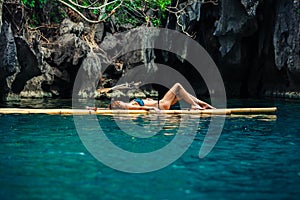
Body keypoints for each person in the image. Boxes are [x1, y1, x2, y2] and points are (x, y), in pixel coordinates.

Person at [108, 83, 215, 110]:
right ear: (119, 105)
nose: (118, 100)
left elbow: (141, 104)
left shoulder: (129, 104)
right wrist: (151, 108)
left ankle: (203, 104)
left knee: (182, 94)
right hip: (161, 105)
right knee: (177, 86)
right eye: (118, 102)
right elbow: (140, 107)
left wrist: (147, 100)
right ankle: (196, 105)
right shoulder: (127, 105)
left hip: (161, 104)